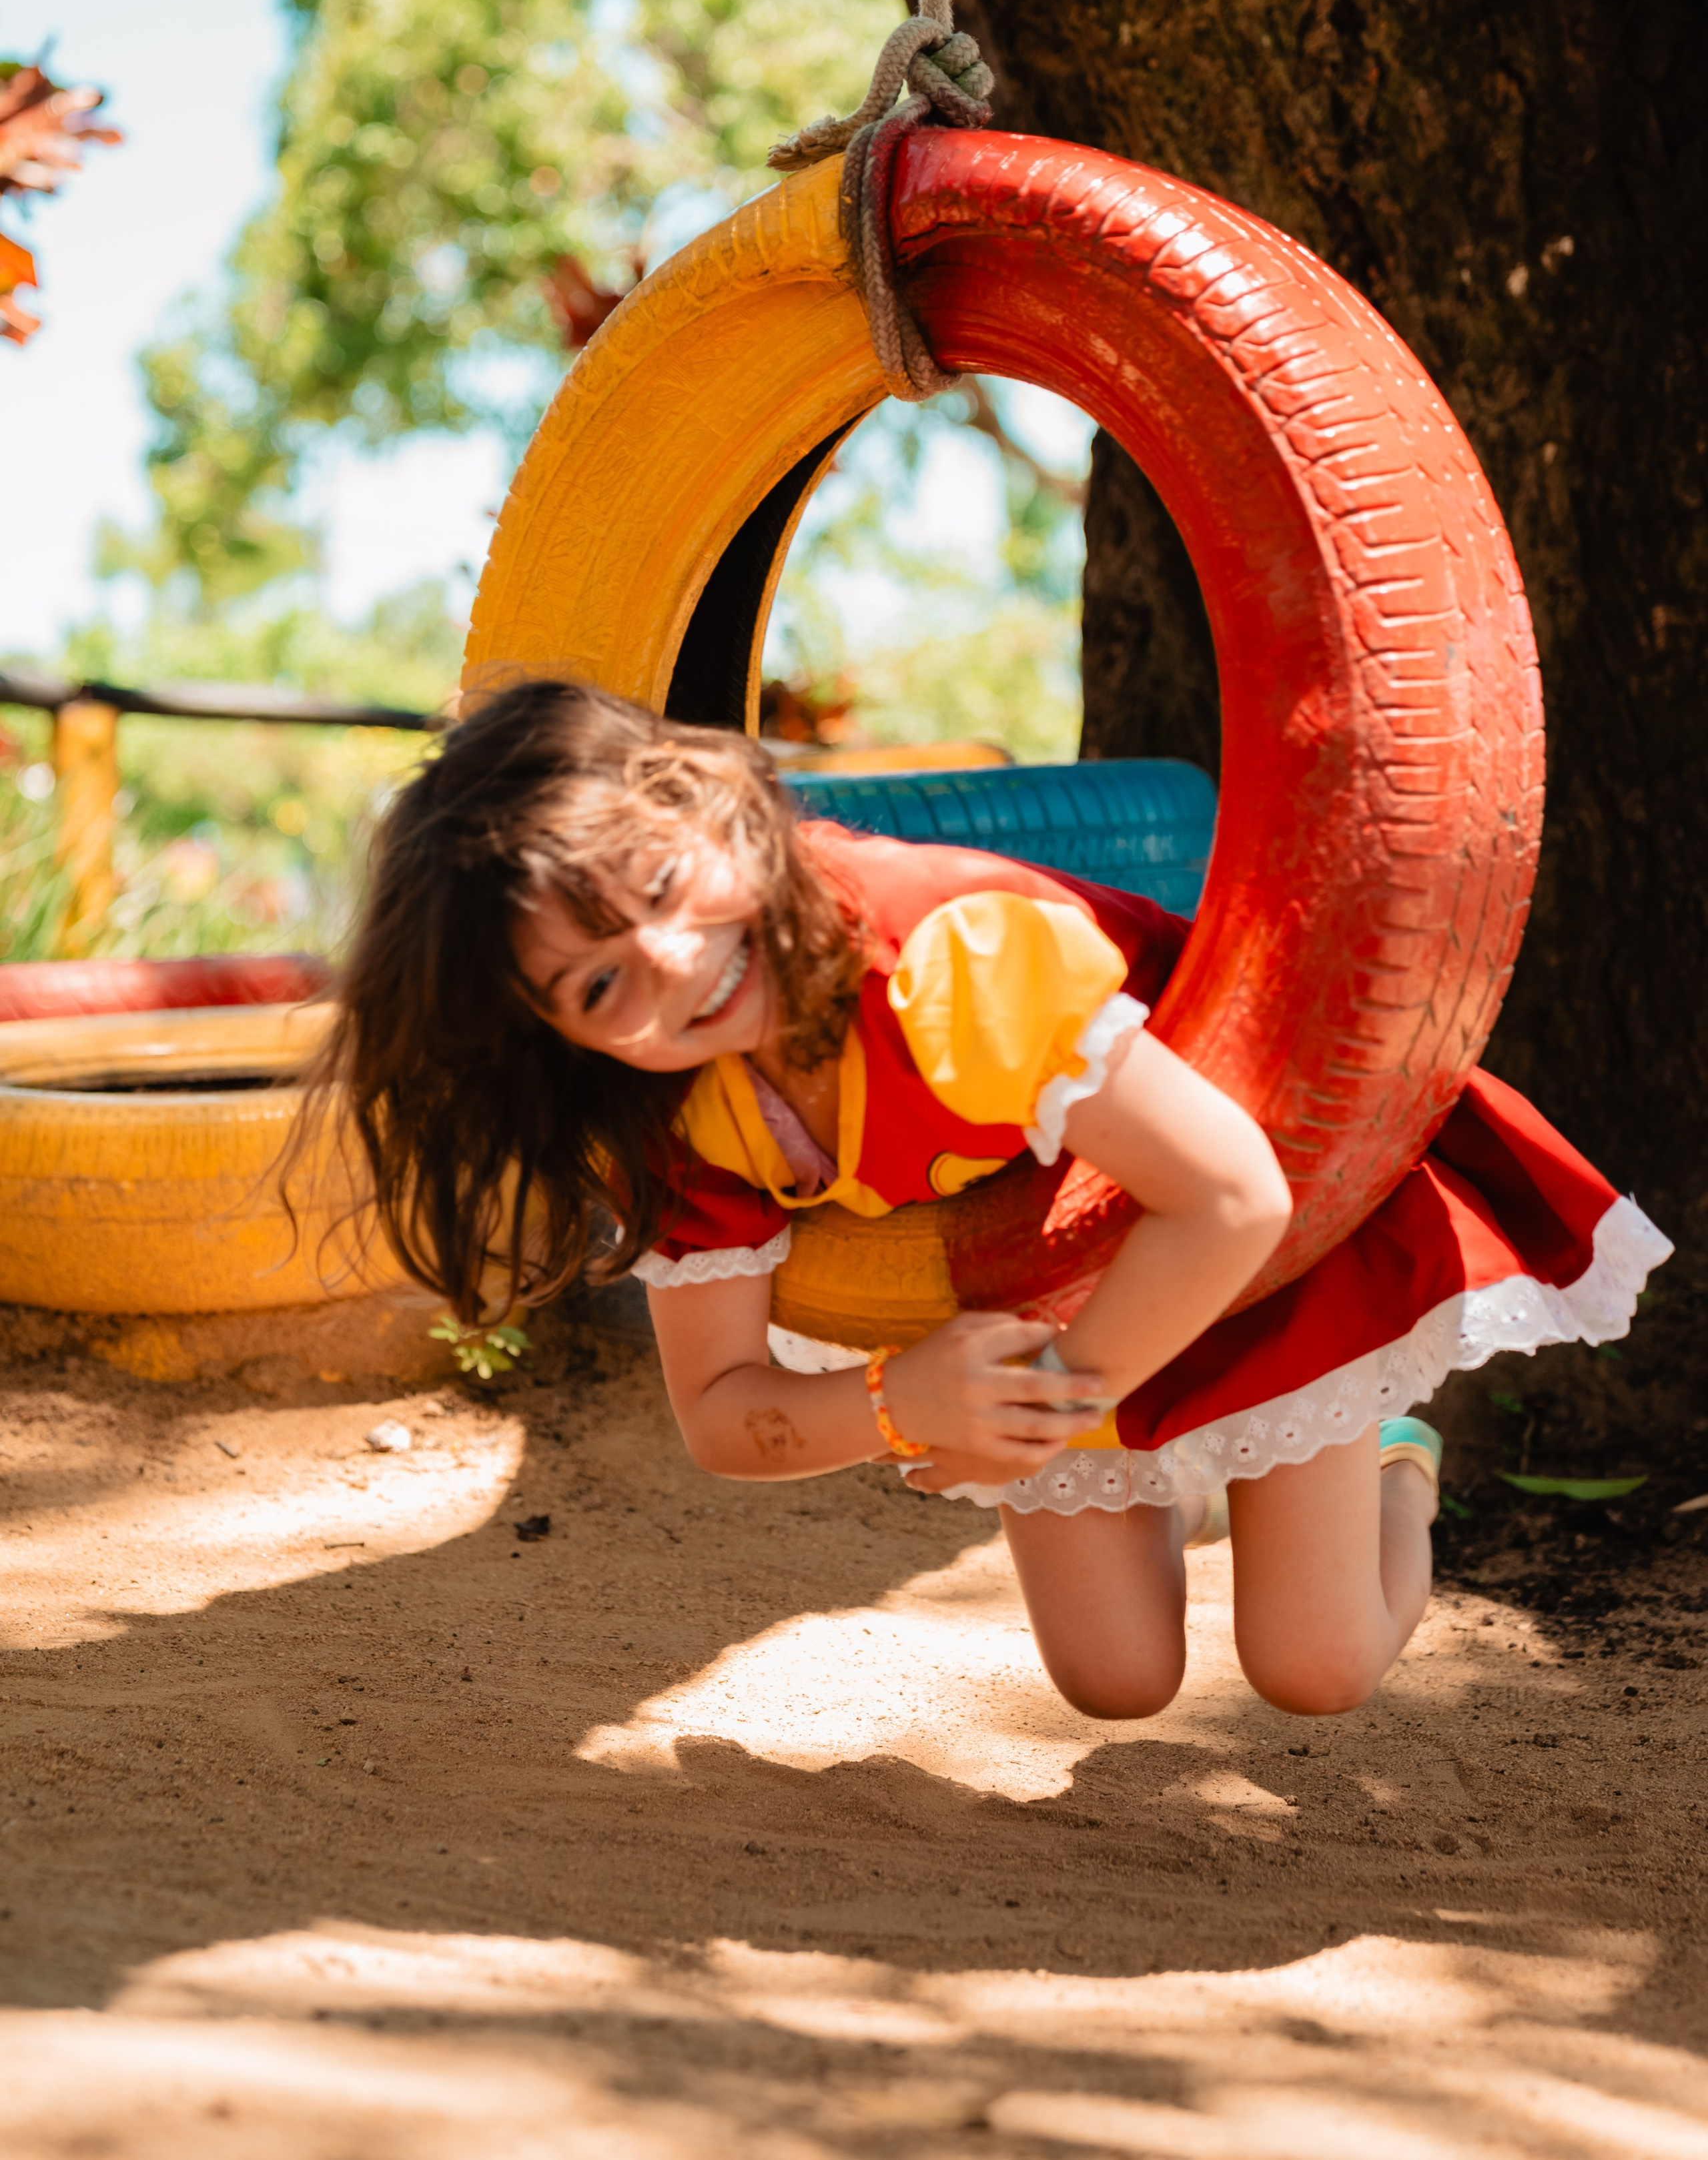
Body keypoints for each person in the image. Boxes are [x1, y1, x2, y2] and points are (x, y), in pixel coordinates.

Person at [310, 680, 1671, 1721]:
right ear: (562, 1041)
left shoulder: (949, 960)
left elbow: (1231, 1196)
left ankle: (1390, 1462)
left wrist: (1055, 1400)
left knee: (1310, 1666)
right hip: (1039, 1293)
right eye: (598, 986)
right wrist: (908, 1404)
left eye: (662, 888)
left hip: (1253, 1241)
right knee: (1116, 1677)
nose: (669, 966)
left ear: (713, 804)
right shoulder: (675, 1110)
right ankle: (1174, 1467)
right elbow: (720, 1413)